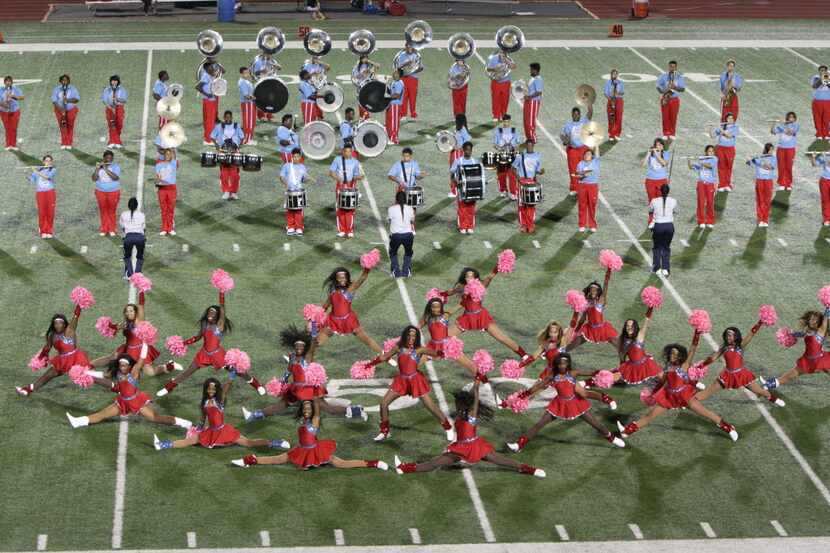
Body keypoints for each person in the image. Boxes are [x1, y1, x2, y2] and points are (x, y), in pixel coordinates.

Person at [396, 378, 545, 477]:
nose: (456, 404)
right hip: (460, 448)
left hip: (474, 446)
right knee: (435, 463)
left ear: (464, 404)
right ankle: (404, 468)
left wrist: (477, 384)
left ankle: (529, 469)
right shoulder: (460, 414)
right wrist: (476, 379)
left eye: (458, 402)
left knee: (502, 460)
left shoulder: (470, 415)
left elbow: (474, 399)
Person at [616, 333, 739, 442]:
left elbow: (693, 348)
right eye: (671, 353)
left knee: (705, 413)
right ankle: (627, 431)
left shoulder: (685, 365)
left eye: (675, 354)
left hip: (684, 396)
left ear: (680, 356)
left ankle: (728, 428)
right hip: (668, 397)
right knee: (650, 416)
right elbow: (662, 383)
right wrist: (653, 393)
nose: (672, 355)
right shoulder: (668, 368)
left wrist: (697, 333)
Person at [241, 325, 368, 422]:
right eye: (297, 348)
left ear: (304, 348)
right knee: (280, 405)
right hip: (296, 388)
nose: (299, 349)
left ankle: (356, 410)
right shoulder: (291, 358)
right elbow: (289, 371)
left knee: (328, 408)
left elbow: (313, 342)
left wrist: (313, 325)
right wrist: (281, 382)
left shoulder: (308, 357)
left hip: (309, 389)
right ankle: (253, 415)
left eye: (301, 348)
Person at [506, 353, 625, 452]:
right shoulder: (552, 376)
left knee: (595, 422)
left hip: (576, 403)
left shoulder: (573, 373)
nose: (563, 366)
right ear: (557, 364)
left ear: (568, 363)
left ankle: (611, 437)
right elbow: (539, 386)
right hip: (559, 405)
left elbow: (592, 373)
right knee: (539, 424)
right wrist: (523, 395)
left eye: (565, 363)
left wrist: (605, 373)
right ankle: (519, 444)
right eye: (560, 363)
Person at [157, 294, 265, 397]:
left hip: (218, 355)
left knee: (237, 371)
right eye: (209, 312)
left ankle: (256, 384)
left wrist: (221, 292)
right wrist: (183, 343)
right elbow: (197, 337)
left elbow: (222, 308)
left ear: (218, 316)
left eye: (213, 313)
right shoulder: (204, 324)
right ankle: (168, 387)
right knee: (189, 371)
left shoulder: (219, 325)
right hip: (203, 353)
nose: (210, 314)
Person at [232, 400, 390, 471]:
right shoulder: (302, 419)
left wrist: (313, 393)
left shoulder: (315, 420)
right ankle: (250, 460)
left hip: (315, 450)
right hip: (301, 449)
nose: (307, 409)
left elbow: (316, 404)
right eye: (305, 408)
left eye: (309, 408)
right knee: (277, 459)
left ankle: (373, 463)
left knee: (340, 463)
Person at [66, 345, 192, 430]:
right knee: (102, 414)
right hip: (123, 401)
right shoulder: (117, 373)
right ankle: (78, 422)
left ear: (130, 366)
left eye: (124, 365)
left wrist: (144, 343)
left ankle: (182, 422)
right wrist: (86, 373)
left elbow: (142, 359)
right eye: (120, 365)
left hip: (137, 402)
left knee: (155, 418)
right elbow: (103, 375)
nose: (122, 367)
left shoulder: (134, 372)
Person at [155, 376, 289, 451]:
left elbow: (225, 389)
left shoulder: (219, 400)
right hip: (211, 432)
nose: (211, 390)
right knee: (188, 441)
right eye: (209, 388)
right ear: (206, 389)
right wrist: (198, 429)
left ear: (216, 389)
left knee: (248, 443)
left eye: (214, 388)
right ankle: (162, 445)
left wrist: (231, 376)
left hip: (224, 431)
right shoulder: (204, 403)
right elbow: (202, 419)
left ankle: (274, 443)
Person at [368, 326, 453, 442]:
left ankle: (447, 427)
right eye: (409, 335)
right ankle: (385, 431)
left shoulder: (420, 350)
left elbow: (436, 353)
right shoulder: (399, 348)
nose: (411, 338)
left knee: (430, 406)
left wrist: (445, 351)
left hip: (415, 380)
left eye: (413, 336)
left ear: (416, 337)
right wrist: (370, 365)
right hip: (401, 381)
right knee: (383, 404)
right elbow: (384, 357)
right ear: (405, 335)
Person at [443, 267, 530, 359]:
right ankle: (436, 353)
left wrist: (499, 265)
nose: (470, 279)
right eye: (468, 277)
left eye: (472, 277)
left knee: (501, 337)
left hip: (481, 316)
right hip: (467, 318)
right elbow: (450, 292)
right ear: (464, 278)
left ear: (476, 278)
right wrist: (439, 295)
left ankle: (524, 355)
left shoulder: (481, 285)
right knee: (444, 336)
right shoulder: (461, 287)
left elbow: (490, 276)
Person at [694, 325, 785, 407]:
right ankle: (691, 401)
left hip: (742, 375)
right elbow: (712, 358)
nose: (727, 337)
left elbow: (751, 334)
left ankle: (773, 399)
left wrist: (760, 322)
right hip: (727, 376)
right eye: (726, 335)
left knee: (760, 391)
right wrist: (701, 366)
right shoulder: (724, 348)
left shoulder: (740, 346)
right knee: (709, 391)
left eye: (730, 335)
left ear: (736, 336)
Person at [314, 265, 387, 358]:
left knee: (366, 340)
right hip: (332, 321)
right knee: (318, 342)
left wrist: (367, 267)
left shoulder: (350, 289)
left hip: (348, 321)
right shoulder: (333, 291)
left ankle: (384, 354)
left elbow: (362, 278)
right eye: (340, 278)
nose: (343, 279)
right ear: (336, 279)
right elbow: (325, 306)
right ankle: (303, 357)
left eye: (344, 277)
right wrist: (316, 316)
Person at [16, 307, 91, 396]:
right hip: (63, 361)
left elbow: (76, 316)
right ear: (53, 324)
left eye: (60, 323)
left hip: (76, 359)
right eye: (56, 323)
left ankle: (111, 385)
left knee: (90, 376)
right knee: (48, 375)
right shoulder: (52, 336)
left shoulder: (69, 330)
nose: (58, 325)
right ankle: (29, 389)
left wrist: (79, 304)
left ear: (64, 324)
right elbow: (47, 348)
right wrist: (41, 358)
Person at [760, 308, 830, 392]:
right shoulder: (808, 332)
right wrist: (790, 334)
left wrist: (828, 306)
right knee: (788, 376)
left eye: (815, 319)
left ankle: (768, 385)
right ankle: (768, 385)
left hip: (818, 360)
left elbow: (826, 317)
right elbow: (801, 334)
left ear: (819, 322)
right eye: (811, 319)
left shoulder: (821, 332)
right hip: (807, 361)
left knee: (825, 368)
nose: (812, 321)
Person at [569, 274, 618, 349]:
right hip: (589, 329)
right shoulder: (586, 303)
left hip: (602, 329)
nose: (593, 290)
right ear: (589, 290)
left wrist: (607, 277)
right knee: (575, 342)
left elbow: (605, 290)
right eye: (592, 289)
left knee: (615, 342)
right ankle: (562, 351)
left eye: (595, 289)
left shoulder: (600, 301)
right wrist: (576, 331)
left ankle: (627, 351)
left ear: (598, 292)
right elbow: (583, 318)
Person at [329, 144, 362, 237]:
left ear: (352, 151)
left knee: (350, 209)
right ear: (342, 151)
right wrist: (339, 179)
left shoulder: (355, 162)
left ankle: (350, 230)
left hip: (351, 186)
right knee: (340, 208)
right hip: (340, 186)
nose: (348, 153)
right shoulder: (337, 159)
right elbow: (331, 172)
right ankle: (342, 230)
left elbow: (355, 175)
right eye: (346, 151)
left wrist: (359, 177)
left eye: (349, 151)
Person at [450, 141, 482, 233]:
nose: (468, 152)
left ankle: (470, 226)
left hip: (472, 188)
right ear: (463, 150)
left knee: (471, 207)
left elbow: (478, 174)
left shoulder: (474, 161)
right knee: (462, 207)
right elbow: (452, 172)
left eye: (470, 150)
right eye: (467, 150)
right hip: (461, 188)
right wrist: (454, 181)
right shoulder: (458, 161)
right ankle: (462, 226)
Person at [513, 139, 544, 233]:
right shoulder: (520, 156)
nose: (529, 147)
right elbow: (513, 167)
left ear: (533, 145)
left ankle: (530, 225)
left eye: (531, 145)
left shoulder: (538, 156)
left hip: (532, 182)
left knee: (531, 205)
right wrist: (518, 178)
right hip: (522, 182)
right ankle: (523, 224)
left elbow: (537, 169)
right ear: (526, 146)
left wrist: (541, 172)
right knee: (521, 205)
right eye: (528, 145)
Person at [561, 106, 592, 196]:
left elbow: (590, 113)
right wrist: (565, 141)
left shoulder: (584, 121)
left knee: (584, 168)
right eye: (574, 114)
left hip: (583, 148)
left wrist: (589, 102)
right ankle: (574, 188)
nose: (576, 116)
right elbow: (564, 137)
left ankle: (584, 186)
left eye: (577, 114)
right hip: (573, 150)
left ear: (580, 115)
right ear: (572, 115)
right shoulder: (568, 125)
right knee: (573, 170)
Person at [92, 150, 122, 237]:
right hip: (100, 191)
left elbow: (115, 178)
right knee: (103, 210)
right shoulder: (98, 166)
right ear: (103, 158)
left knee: (112, 210)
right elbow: (94, 178)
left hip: (113, 192)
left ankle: (112, 228)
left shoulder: (116, 166)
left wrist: (105, 169)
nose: (109, 160)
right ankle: (104, 229)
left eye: (111, 158)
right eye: (107, 158)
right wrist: (97, 169)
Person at [280, 148, 309, 236]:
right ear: (292, 157)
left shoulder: (303, 167)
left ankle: (299, 227)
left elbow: (303, 179)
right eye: (294, 157)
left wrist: (306, 179)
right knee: (290, 210)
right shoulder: (287, 166)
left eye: (297, 157)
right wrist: (286, 184)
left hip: (299, 191)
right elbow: (281, 177)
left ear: (300, 157)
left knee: (299, 210)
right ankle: (291, 226)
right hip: (290, 191)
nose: (296, 158)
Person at [747, 143, 777, 228]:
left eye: (772, 150)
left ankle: (765, 219)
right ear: (766, 150)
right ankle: (760, 219)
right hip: (760, 181)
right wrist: (750, 159)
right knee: (760, 200)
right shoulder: (759, 158)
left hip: (768, 181)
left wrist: (761, 162)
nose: (772, 151)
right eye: (770, 150)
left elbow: (770, 167)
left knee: (767, 200)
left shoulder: (774, 158)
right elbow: (748, 163)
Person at [642, 138, 671, 226]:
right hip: (650, 180)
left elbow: (663, 163)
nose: (659, 146)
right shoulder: (651, 154)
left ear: (663, 146)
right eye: (657, 145)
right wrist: (648, 153)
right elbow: (643, 164)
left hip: (661, 181)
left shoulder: (666, 154)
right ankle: (651, 221)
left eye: (660, 145)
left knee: (661, 201)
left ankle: (659, 220)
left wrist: (656, 153)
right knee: (652, 201)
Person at [649, 184, 676, 277]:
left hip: (659, 226)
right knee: (666, 247)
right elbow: (675, 211)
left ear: (660, 191)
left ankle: (657, 268)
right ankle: (666, 268)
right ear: (668, 191)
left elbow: (650, 210)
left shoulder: (654, 200)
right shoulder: (673, 201)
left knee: (657, 247)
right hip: (669, 226)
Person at [387, 190, 415, 278]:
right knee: (408, 253)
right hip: (408, 235)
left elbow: (389, 219)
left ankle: (396, 272)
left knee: (393, 252)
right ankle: (406, 272)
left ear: (396, 199)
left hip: (396, 235)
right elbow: (412, 220)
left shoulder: (391, 208)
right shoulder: (410, 208)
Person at [688, 146, 718, 228]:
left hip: (710, 184)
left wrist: (700, 162)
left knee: (710, 202)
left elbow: (710, 166)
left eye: (712, 151)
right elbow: (691, 167)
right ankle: (701, 221)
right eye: (709, 151)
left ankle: (710, 221)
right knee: (701, 202)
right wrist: (689, 160)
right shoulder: (701, 160)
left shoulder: (714, 159)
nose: (711, 153)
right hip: (701, 183)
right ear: (706, 152)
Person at [493, 114, 521, 199]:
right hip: (501, 155)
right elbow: (495, 144)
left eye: (507, 121)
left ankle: (513, 193)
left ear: (510, 121)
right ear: (502, 121)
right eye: (504, 121)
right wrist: (500, 148)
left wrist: (514, 148)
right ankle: (503, 190)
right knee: (501, 174)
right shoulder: (498, 131)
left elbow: (518, 143)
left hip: (512, 155)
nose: (506, 123)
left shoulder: (514, 130)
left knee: (512, 174)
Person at [656, 61, 685, 139]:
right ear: (668, 67)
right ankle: (665, 133)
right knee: (665, 116)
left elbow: (682, 89)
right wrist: (664, 91)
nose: (672, 68)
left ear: (676, 67)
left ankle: (672, 133)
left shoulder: (679, 77)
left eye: (674, 66)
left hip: (674, 99)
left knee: (673, 116)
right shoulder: (663, 76)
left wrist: (674, 87)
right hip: (665, 98)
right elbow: (658, 87)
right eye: (671, 66)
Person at [574, 146, 600, 233]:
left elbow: (597, 151)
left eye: (588, 154)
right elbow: (577, 176)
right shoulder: (580, 164)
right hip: (582, 186)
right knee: (582, 205)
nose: (586, 156)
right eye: (585, 154)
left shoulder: (596, 161)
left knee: (592, 205)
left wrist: (596, 143)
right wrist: (582, 176)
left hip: (593, 186)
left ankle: (592, 225)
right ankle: (582, 225)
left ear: (592, 156)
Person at [29, 155, 56, 238]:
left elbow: (47, 178)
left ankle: (49, 230)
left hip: (50, 193)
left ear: (51, 162)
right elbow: (32, 180)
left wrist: (36, 172)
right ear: (43, 162)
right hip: (40, 194)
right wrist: (29, 175)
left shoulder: (53, 169)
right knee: (42, 212)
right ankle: (43, 230)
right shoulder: (38, 170)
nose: (47, 162)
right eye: (46, 161)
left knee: (50, 212)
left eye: (49, 161)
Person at [51, 74, 80, 150]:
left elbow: (77, 99)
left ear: (69, 81)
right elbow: (54, 101)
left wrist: (68, 100)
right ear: (60, 81)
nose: (64, 82)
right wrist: (61, 109)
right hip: (59, 110)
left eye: (66, 80)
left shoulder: (73, 89)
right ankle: (64, 142)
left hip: (71, 110)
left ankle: (69, 142)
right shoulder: (56, 89)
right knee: (62, 126)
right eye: (63, 80)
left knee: (70, 126)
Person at [394, 43, 422, 120]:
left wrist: (413, 69)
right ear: (405, 47)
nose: (409, 48)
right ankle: (403, 114)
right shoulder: (402, 55)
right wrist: (406, 63)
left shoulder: (416, 55)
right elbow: (398, 67)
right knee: (404, 96)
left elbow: (421, 67)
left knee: (413, 97)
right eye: (408, 47)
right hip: (404, 78)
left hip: (413, 78)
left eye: (411, 47)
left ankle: (413, 114)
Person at [771, 112, 799, 191]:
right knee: (781, 166)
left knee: (789, 166)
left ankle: (788, 183)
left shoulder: (796, 125)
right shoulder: (782, 125)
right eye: (790, 117)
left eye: (793, 117)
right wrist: (774, 123)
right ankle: (782, 183)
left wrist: (784, 125)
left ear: (794, 119)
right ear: (787, 118)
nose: (791, 119)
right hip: (781, 149)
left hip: (790, 149)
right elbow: (773, 132)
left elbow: (790, 132)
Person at [485, 49, 515, 121]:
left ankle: (503, 114)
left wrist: (507, 61)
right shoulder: (493, 58)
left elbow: (514, 66)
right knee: (495, 99)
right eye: (501, 53)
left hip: (506, 82)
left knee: (505, 100)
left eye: (504, 53)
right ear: (499, 53)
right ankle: (496, 115)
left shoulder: (508, 58)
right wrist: (495, 69)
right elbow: (487, 69)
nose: (503, 55)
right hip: (496, 82)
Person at [154, 148, 178, 236]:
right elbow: (157, 178)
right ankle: (164, 228)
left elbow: (175, 155)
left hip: (172, 189)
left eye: (169, 154)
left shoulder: (174, 163)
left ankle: (170, 228)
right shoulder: (158, 165)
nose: (168, 156)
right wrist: (157, 184)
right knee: (163, 209)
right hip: (162, 190)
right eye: (166, 154)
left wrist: (173, 148)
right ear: (164, 155)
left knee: (171, 209)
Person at [713, 114, 739, 192]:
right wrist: (711, 128)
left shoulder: (735, 127)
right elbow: (712, 136)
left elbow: (729, 136)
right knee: (721, 166)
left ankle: (727, 184)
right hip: (720, 148)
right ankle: (722, 184)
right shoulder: (722, 126)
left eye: (732, 118)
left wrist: (721, 130)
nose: (731, 120)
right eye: (729, 118)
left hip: (730, 149)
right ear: (726, 119)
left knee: (729, 167)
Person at [120, 197, 145, 278]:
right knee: (140, 256)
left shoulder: (124, 214)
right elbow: (144, 227)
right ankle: (138, 273)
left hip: (129, 237)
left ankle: (130, 274)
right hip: (140, 237)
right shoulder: (141, 215)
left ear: (128, 206)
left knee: (127, 256)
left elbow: (122, 226)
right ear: (137, 206)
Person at [447, 114, 472, 197]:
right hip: (454, 152)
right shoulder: (458, 129)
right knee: (453, 170)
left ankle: (455, 191)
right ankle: (455, 189)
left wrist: (460, 147)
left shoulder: (462, 129)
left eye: (456, 119)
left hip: (457, 153)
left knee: (455, 171)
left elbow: (468, 139)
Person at [101, 75, 128, 149]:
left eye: (115, 80)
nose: (114, 82)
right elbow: (104, 100)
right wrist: (110, 108)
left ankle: (117, 140)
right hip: (109, 108)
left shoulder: (122, 89)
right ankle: (112, 141)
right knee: (111, 125)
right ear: (110, 81)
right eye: (112, 80)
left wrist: (117, 99)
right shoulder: (107, 89)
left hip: (119, 108)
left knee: (119, 124)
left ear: (118, 82)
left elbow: (124, 100)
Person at [197, 64, 221, 145]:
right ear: (206, 68)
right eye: (211, 67)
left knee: (209, 120)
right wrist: (207, 94)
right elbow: (198, 87)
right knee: (210, 120)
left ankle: (207, 136)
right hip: (209, 100)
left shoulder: (210, 75)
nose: (212, 68)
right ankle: (208, 140)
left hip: (210, 100)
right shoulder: (206, 76)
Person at [1, 75, 24, 150]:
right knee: (7, 128)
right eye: (6, 81)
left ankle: (13, 144)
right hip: (4, 112)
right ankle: (8, 144)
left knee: (14, 128)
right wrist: (4, 104)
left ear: (11, 82)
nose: (8, 83)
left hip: (15, 111)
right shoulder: (1, 90)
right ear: (4, 82)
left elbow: (22, 97)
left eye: (9, 81)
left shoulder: (16, 89)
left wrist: (13, 96)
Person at [523, 62, 543, 143]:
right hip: (528, 102)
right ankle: (528, 137)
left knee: (530, 120)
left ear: (535, 70)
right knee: (526, 120)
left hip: (533, 102)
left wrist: (529, 97)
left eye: (531, 70)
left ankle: (532, 138)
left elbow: (539, 92)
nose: (530, 71)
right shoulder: (533, 79)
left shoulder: (538, 79)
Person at [809, 151, 830, 226]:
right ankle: (826, 219)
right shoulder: (824, 155)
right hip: (825, 180)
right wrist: (813, 157)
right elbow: (814, 164)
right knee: (825, 200)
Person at [238, 67, 257, 146]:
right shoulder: (242, 82)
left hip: (250, 104)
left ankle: (249, 138)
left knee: (251, 122)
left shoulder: (245, 81)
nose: (247, 74)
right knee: (248, 122)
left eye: (248, 72)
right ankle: (247, 140)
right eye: (245, 72)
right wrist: (256, 98)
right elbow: (246, 96)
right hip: (247, 104)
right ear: (241, 73)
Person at [810, 65, 830, 139]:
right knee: (817, 118)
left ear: (826, 71)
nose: (823, 71)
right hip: (817, 101)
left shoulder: (829, 77)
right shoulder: (815, 77)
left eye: (824, 70)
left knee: (826, 118)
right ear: (819, 71)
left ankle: (826, 133)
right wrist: (822, 78)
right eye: (821, 70)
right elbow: (814, 86)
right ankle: (819, 134)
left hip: (828, 101)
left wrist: (827, 80)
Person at [386, 70, 405, 145]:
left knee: (394, 122)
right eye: (394, 72)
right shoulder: (394, 82)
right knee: (389, 122)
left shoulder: (399, 83)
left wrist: (387, 97)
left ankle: (394, 139)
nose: (394, 73)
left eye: (396, 73)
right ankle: (390, 136)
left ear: (399, 75)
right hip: (390, 104)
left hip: (395, 105)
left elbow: (397, 95)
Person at [604, 69, 624, 141]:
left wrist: (617, 94)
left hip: (619, 101)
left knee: (618, 118)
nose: (614, 75)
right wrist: (611, 99)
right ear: (611, 75)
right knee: (611, 118)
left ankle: (617, 134)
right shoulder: (608, 83)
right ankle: (611, 134)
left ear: (617, 75)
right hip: (610, 100)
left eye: (615, 74)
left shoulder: (620, 83)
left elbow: (622, 93)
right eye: (613, 74)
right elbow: (605, 93)